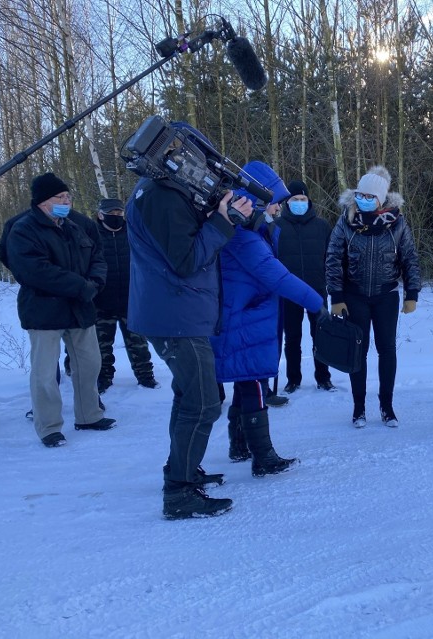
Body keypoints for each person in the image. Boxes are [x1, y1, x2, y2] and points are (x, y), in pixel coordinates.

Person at [127, 121, 252, 520]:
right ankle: (179, 492)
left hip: (176, 312)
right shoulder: (161, 196)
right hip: (175, 316)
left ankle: (182, 470)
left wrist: (218, 216)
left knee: (189, 398)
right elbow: (185, 260)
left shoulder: (159, 191)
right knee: (204, 402)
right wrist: (223, 222)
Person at [211, 161, 326, 474]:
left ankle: (239, 445)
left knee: (248, 384)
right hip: (245, 320)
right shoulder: (243, 237)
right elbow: (278, 277)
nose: (279, 209)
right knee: (256, 385)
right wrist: (317, 304)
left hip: (245, 317)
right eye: (275, 203)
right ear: (257, 202)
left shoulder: (250, 230)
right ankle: (264, 456)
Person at [5, 172, 116, 447]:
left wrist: (95, 283)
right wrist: (80, 285)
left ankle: (89, 415)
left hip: (80, 309)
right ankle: (50, 427)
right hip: (44, 310)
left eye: (68, 196)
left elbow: (97, 256)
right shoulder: (23, 229)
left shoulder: (74, 226)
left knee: (90, 364)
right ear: (43, 201)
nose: (66, 201)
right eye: (60, 197)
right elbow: (34, 270)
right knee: (44, 374)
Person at [326, 166, 421, 428]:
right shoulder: (346, 221)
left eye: (369, 196)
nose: (363, 200)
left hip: (386, 296)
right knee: (359, 351)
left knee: (387, 350)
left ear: (380, 199)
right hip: (354, 296)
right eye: (360, 195)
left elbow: (409, 258)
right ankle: (358, 407)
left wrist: (412, 292)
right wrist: (336, 296)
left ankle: (387, 406)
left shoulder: (397, 223)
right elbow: (334, 258)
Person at [93, 198, 158, 392]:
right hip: (102, 301)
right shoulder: (92, 235)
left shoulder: (133, 233)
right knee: (101, 346)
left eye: (118, 214)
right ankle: (103, 379)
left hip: (131, 301)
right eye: (111, 214)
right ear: (100, 214)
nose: (115, 217)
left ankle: (146, 377)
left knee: (138, 344)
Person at [275, 179, 334, 394]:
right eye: (294, 199)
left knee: (320, 335)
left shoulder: (322, 226)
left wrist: (329, 281)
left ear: (308, 201)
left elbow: (332, 258)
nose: (299, 202)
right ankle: (293, 379)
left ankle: (323, 377)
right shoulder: (276, 228)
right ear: (287, 202)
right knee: (292, 338)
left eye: (302, 199)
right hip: (288, 292)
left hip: (316, 290)